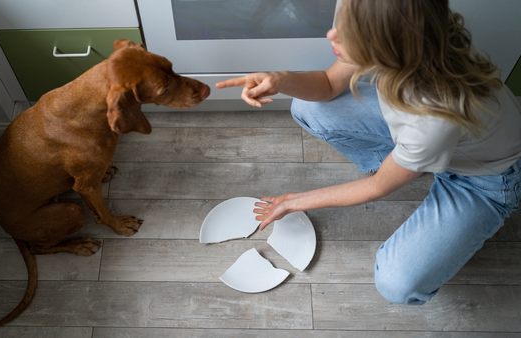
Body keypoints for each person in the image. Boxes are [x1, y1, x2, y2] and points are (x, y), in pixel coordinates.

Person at [215, 0, 521, 305]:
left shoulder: (433, 115)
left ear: (386, 47)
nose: (331, 35)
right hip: (437, 139)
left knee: (396, 283)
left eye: (349, 35)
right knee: (308, 107)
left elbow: (377, 187)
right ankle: (406, 163)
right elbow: (326, 85)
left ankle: (412, 166)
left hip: (485, 179)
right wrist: (281, 80)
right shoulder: (404, 32)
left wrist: (292, 202)